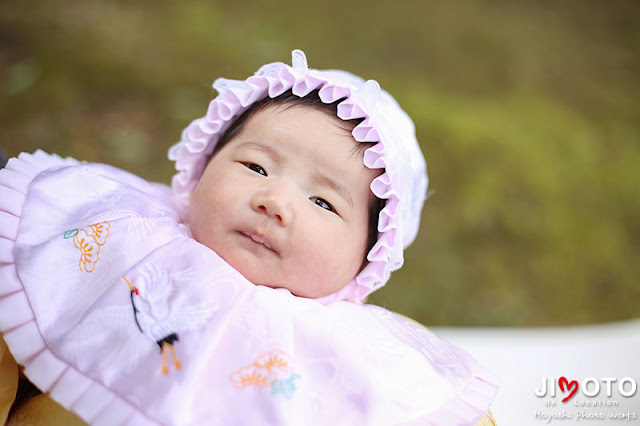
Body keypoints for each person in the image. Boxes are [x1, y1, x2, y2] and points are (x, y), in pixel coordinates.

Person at [0, 50, 498, 425]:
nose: (274, 201)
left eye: (324, 202)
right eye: (255, 166)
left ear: (366, 260)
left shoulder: (354, 347)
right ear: (203, 167)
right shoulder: (129, 234)